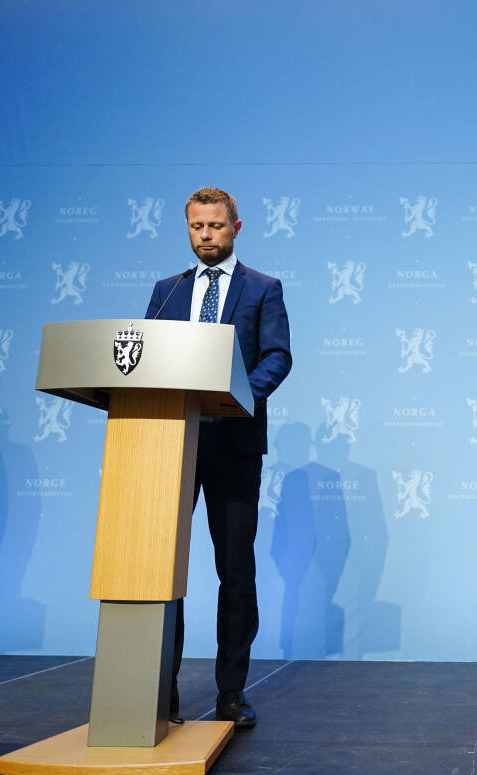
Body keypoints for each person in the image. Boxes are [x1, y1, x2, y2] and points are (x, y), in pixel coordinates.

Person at [146, 187, 292, 729]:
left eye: (215, 226)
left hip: (234, 444)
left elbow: (278, 355)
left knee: (234, 570)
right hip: (170, 445)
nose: (205, 235)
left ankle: (231, 691)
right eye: (196, 227)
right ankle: (161, 692)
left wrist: (238, 397)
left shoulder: (263, 288)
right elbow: (144, 356)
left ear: (236, 227)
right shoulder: (167, 292)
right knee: (161, 572)